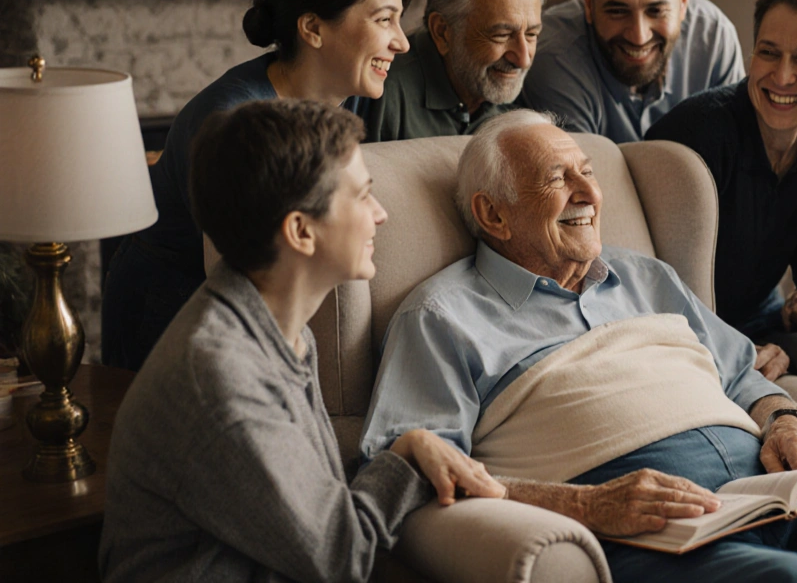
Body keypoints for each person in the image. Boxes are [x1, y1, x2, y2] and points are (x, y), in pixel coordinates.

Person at [360, 109, 797, 583]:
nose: (590, 193)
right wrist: (588, 508)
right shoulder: (443, 316)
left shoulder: (643, 275)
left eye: (587, 172)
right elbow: (418, 470)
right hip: (648, 532)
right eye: (557, 179)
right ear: (492, 214)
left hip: (772, 494)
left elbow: (742, 374)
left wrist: (788, 417)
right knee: (793, 582)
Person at [100, 100, 505, 582]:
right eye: (361, 196)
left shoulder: (279, 330)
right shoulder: (223, 381)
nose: (380, 214)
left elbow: (322, 507)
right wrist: (407, 452)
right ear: (300, 231)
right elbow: (341, 556)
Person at [102, 0, 416, 372]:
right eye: (384, 20)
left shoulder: (358, 89)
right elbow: (261, 273)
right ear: (312, 28)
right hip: (167, 304)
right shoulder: (232, 123)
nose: (401, 41)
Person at [646, 0, 797, 380]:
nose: (781, 76)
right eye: (769, 52)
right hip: (672, 330)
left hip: (752, 324)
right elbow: (661, 288)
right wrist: (740, 352)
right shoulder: (699, 134)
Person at [520, 0, 743, 143]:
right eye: (618, 11)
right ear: (589, 4)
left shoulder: (715, 38)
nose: (639, 36)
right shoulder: (553, 56)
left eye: (655, 11)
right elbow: (585, 175)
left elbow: (732, 158)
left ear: (684, 1)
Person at [365, 0, 544, 140]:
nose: (523, 58)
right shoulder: (381, 91)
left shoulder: (523, 93)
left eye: (531, 34)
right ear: (442, 32)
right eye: (501, 35)